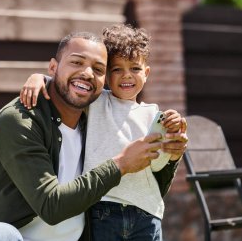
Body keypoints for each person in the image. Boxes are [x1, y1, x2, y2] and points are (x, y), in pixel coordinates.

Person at [0, 31, 188, 241]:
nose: (87, 73)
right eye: (76, 62)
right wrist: (121, 164)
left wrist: (172, 156)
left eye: (97, 69)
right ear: (53, 68)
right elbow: (51, 205)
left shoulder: (94, 122)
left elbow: (148, 182)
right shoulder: (20, 120)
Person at [19, 24, 185, 241]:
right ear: (106, 75)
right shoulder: (97, 102)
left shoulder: (153, 114)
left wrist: (171, 142)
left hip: (146, 211)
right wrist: (38, 77)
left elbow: (157, 164)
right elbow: (65, 86)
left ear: (146, 73)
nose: (127, 76)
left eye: (135, 68)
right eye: (117, 69)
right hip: (104, 210)